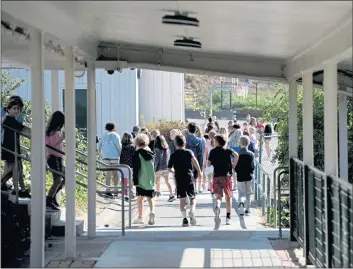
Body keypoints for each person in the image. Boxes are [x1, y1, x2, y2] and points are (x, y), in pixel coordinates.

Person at [168, 134, 202, 227]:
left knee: (182, 199)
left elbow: (169, 168)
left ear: (175, 144)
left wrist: (174, 171)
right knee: (192, 197)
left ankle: (184, 219)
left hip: (179, 178)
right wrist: (199, 171)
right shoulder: (189, 152)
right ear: (185, 144)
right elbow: (195, 162)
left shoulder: (173, 155)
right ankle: (192, 211)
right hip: (189, 176)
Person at [1, 98, 31, 197]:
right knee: (14, 170)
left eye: (18, 109)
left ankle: (19, 189)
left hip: (13, 147)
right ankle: (16, 189)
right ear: (8, 109)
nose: (16, 111)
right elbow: (21, 128)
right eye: (14, 108)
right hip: (10, 148)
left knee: (15, 169)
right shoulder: (8, 120)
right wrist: (34, 132)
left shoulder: (10, 119)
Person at [207, 135, 238, 225]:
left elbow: (208, 164)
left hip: (216, 176)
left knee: (218, 197)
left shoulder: (212, 151)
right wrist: (233, 165)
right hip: (227, 176)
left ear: (217, 142)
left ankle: (218, 206)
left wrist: (213, 162)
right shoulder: (228, 150)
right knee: (228, 198)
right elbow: (236, 155)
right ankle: (228, 218)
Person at [132, 134, 156, 225]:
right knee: (150, 197)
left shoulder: (137, 154)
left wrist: (135, 179)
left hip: (141, 178)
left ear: (136, 143)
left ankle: (140, 217)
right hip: (150, 178)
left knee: (139, 199)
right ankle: (152, 211)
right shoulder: (151, 152)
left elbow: (136, 167)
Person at [45, 111, 65, 210]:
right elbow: (53, 145)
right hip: (54, 157)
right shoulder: (54, 132)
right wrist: (63, 137)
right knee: (57, 180)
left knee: (64, 178)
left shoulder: (52, 131)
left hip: (56, 157)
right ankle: (49, 199)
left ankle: (51, 197)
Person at [98, 123, 122, 197]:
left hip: (105, 157)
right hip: (114, 157)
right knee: (115, 175)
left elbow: (99, 147)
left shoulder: (103, 135)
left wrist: (101, 155)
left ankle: (108, 190)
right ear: (114, 128)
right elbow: (119, 147)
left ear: (106, 128)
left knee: (108, 175)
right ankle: (115, 191)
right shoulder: (116, 135)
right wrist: (120, 155)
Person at [234, 136, 255, 216]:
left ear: (240, 143)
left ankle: (241, 206)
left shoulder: (237, 154)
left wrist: (236, 171)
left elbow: (235, 166)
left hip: (240, 176)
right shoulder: (251, 154)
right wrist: (251, 172)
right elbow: (253, 166)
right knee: (248, 193)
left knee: (241, 193)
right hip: (249, 176)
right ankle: (248, 210)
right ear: (248, 143)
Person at [154, 135, 174, 201]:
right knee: (167, 181)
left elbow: (156, 160)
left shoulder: (156, 150)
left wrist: (155, 168)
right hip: (166, 168)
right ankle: (171, 194)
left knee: (157, 180)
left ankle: (158, 192)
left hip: (159, 168)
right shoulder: (167, 149)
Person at [119, 132, 136, 201]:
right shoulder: (132, 147)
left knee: (124, 180)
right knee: (130, 180)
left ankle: (125, 194)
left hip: (122, 164)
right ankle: (131, 194)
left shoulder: (121, 146)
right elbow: (134, 156)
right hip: (130, 165)